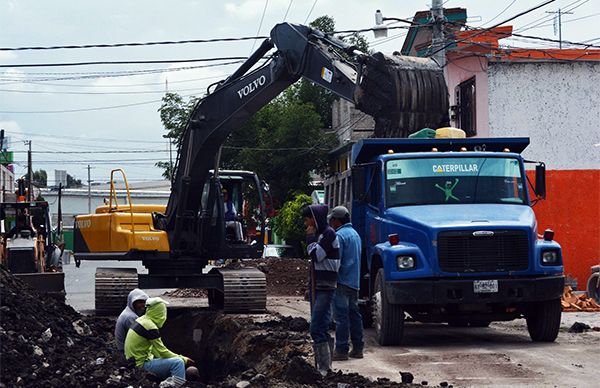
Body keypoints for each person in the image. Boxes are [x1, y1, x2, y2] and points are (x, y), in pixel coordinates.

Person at [302, 204, 340, 376]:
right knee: (322, 326)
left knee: (316, 328)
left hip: (325, 286)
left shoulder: (328, 234)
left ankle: (324, 368)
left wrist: (310, 240)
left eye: (307, 219)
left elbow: (316, 256)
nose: (306, 224)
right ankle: (325, 368)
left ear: (315, 217)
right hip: (319, 286)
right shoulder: (321, 234)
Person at [124, 297, 194, 382]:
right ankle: (179, 385)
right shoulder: (150, 327)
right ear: (159, 311)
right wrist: (183, 359)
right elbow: (162, 351)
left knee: (170, 361)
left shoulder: (141, 320)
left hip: (133, 362)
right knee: (178, 363)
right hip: (141, 364)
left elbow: (154, 349)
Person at [328, 206, 364, 361]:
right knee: (354, 315)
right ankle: (358, 348)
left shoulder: (339, 236)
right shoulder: (355, 235)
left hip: (342, 281)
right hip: (354, 282)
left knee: (341, 317)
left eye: (332, 220)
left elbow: (336, 261)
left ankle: (341, 349)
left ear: (336, 220)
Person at [114, 288, 149, 353]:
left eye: (144, 302)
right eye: (140, 302)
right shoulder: (131, 317)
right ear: (132, 302)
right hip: (125, 351)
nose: (143, 305)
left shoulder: (128, 311)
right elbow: (140, 336)